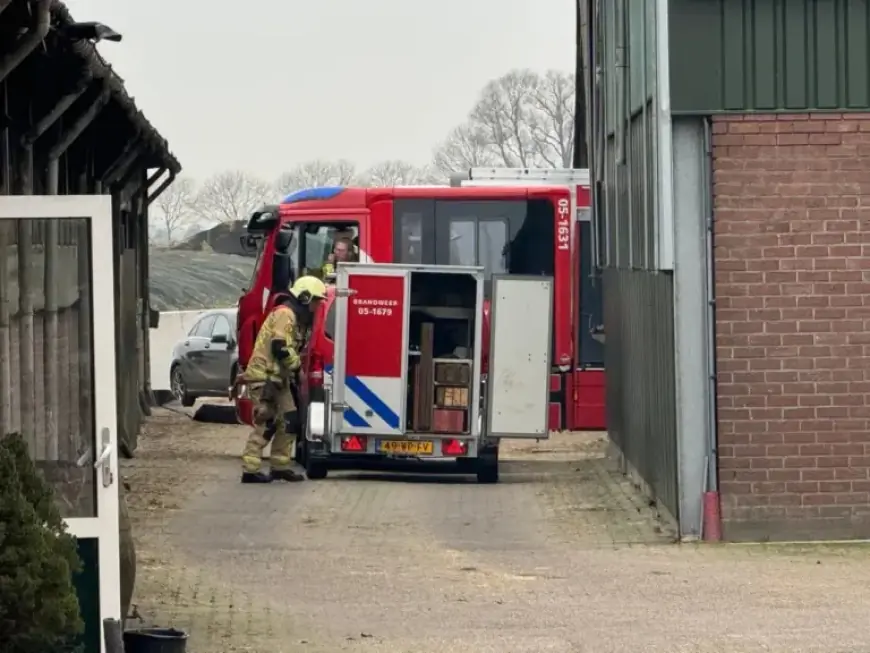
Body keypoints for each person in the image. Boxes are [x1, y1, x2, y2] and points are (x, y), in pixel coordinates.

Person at [239, 275, 327, 483]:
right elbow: (280, 347)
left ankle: (280, 466)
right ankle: (250, 470)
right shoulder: (286, 314)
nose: (317, 306)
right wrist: (297, 367)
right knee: (267, 420)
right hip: (264, 377)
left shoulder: (297, 318)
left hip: (279, 378)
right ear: (305, 298)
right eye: (316, 301)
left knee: (290, 421)